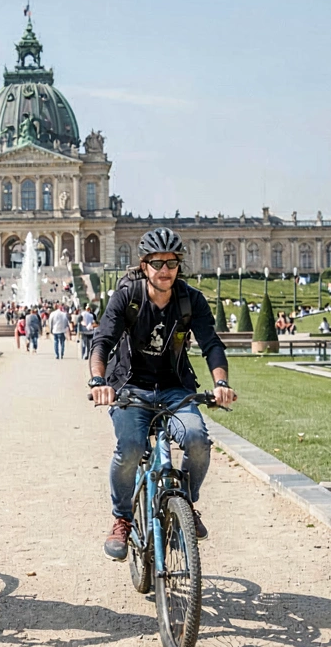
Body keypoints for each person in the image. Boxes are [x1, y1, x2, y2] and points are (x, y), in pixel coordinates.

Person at [89, 227, 236, 561]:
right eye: (158, 263)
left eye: (172, 262)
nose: (165, 270)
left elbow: (211, 344)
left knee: (198, 440)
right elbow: (102, 341)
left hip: (174, 388)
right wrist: (99, 381)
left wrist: (221, 384)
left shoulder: (190, 299)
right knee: (130, 447)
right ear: (144, 266)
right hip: (129, 388)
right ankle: (122, 519)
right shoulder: (128, 296)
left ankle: (185, 501)